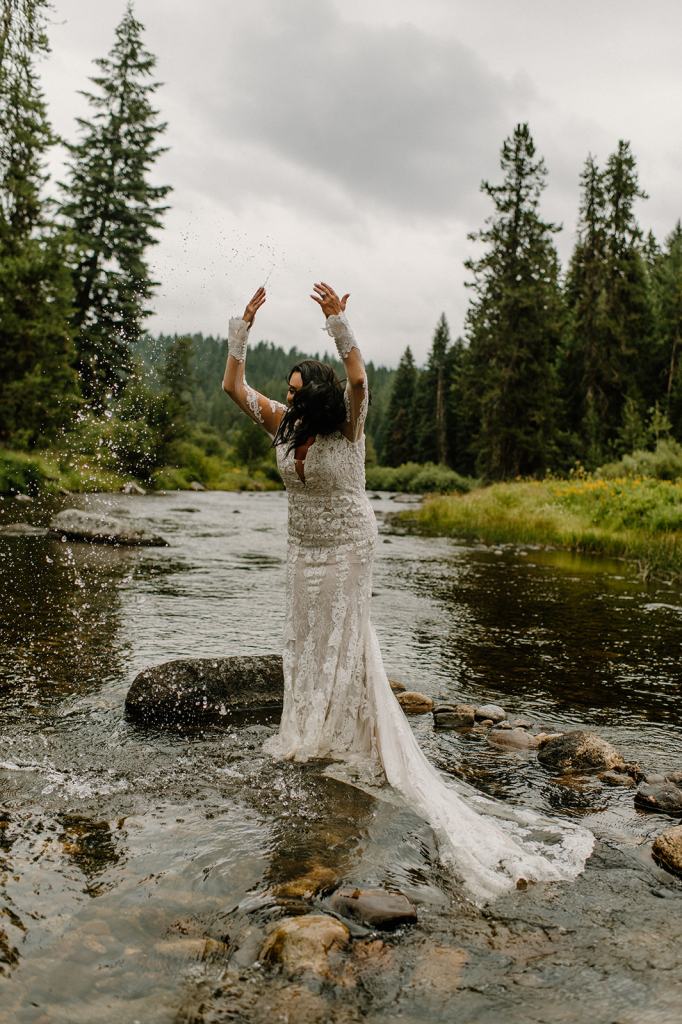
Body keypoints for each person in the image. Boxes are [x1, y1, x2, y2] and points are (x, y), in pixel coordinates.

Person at [222, 283, 593, 902]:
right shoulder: (284, 428)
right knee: (307, 639)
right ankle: (312, 730)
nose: (288, 397)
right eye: (287, 390)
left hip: (347, 546)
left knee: (344, 640)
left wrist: (339, 325)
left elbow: (359, 380)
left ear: (317, 396)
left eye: (297, 390)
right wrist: (242, 330)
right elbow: (233, 387)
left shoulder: (349, 429)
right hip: (303, 550)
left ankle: (347, 734)